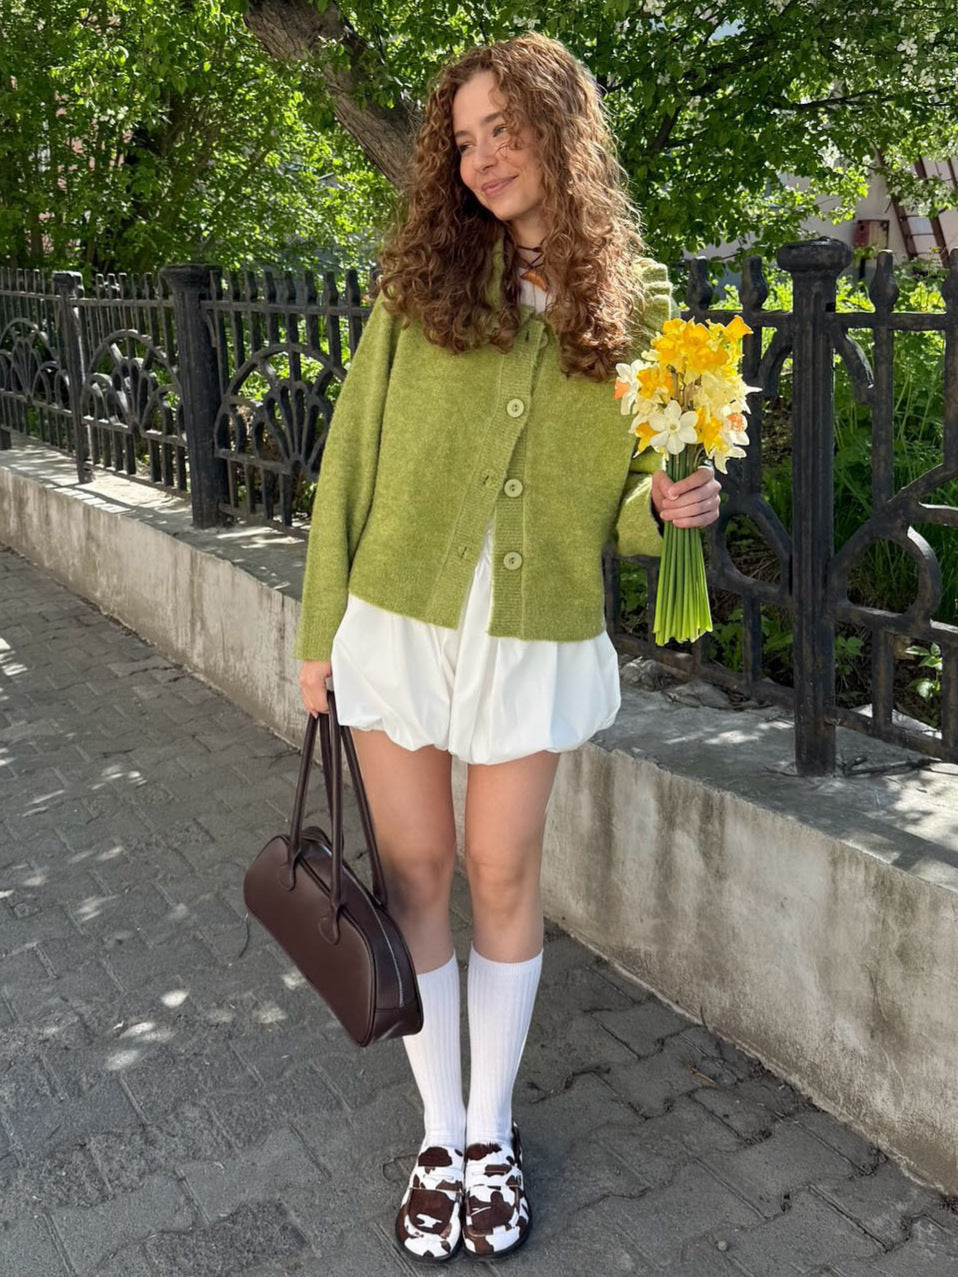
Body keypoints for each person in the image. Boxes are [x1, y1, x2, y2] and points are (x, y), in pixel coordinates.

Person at [295, 31, 721, 1263]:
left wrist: (666, 508)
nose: (482, 158)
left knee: (501, 871)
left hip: (530, 636)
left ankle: (493, 1129)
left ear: (560, 131)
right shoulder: (423, 282)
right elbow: (348, 463)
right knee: (416, 871)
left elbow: (631, 499)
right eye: (465, 139)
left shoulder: (638, 304)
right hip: (396, 621)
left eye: (505, 129)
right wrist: (318, 636)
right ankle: (439, 1133)